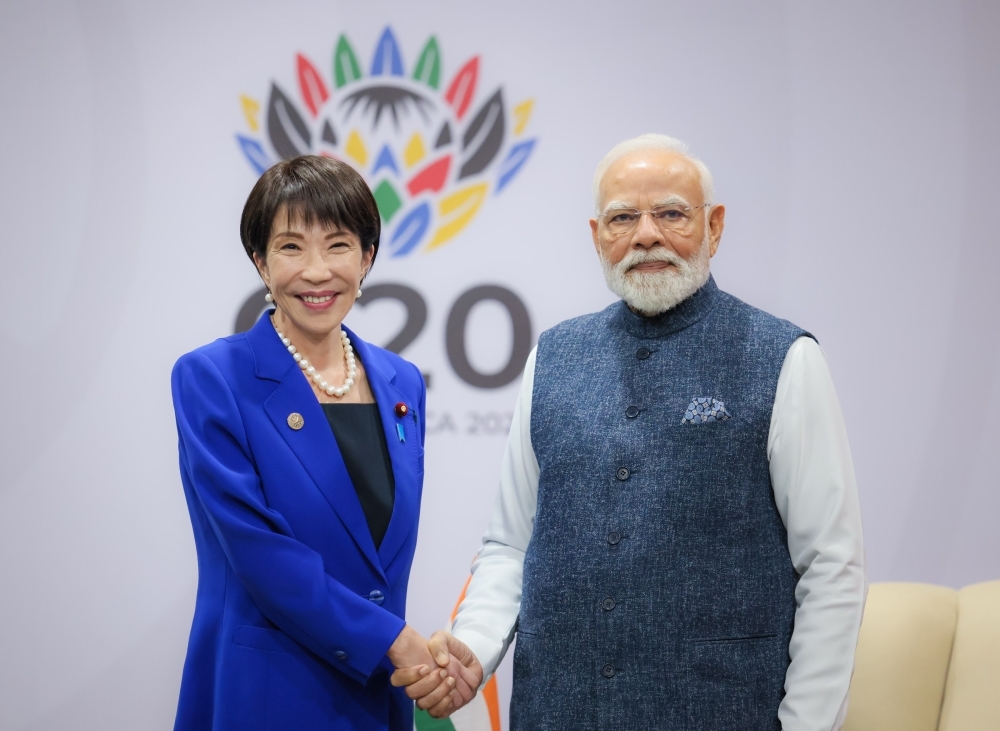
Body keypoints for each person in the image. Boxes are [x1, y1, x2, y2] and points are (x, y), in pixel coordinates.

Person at [394, 134, 867, 730]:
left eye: (671, 213)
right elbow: (511, 544)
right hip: (557, 712)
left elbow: (831, 565)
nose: (646, 235)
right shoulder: (553, 357)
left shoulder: (783, 358)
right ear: (597, 236)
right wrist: (475, 648)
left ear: (715, 226)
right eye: (623, 218)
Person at [171, 155, 477, 730]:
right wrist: (395, 642)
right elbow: (260, 554)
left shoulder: (400, 381)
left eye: (338, 246)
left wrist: (416, 655)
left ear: (367, 258)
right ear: (261, 262)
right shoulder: (213, 377)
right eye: (291, 247)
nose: (316, 272)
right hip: (269, 694)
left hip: (379, 693)